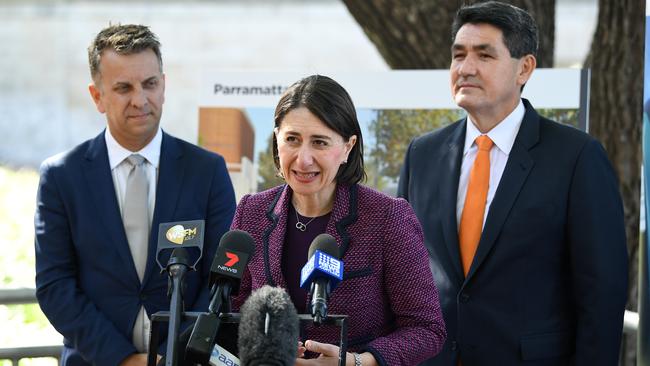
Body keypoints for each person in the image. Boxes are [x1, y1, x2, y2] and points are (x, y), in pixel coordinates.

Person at [397, 1, 628, 365]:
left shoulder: (577, 157)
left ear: (525, 68)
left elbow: (602, 295)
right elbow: (404, 276)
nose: (465, 68)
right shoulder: (422, 154)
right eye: (458, 55)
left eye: (484, 56)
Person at [34, 24, 236, 366]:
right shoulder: (61, 177)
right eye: (123, 87)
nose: (140, 100)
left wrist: (176, 353)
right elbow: (55, 286)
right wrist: (124, 359)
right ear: (97, 96)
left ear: (164, 86)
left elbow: (223, 278)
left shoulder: (208, 171)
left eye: (150, 84)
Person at [230, 74, 446, 366]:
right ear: (277, 140)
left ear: (348, 146)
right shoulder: (251, 212)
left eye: (319, 142)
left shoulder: (387, 217)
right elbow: (232, 309)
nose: (303, 159)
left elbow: (426, 329)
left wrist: (357, 361)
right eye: (292, 139)